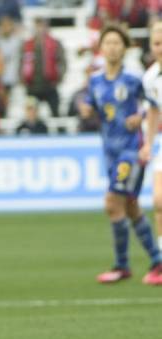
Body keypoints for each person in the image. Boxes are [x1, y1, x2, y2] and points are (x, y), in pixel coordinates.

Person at [79, 25, 162, 284]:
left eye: (117, 43)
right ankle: (157, 260)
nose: (113, 47)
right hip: (111, 152)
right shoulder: (95, 81)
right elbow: (90, 108)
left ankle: (122, 264)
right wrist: (84, 109)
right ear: (101, 48)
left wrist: (140, 117)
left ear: (125, 48)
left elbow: (152, 106)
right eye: (108, 43)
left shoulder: (134, 79)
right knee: (131, 206)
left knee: (112, 203)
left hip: (132, 150)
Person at [143, 21, 162, 285]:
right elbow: (153, 110)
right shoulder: (150, 77)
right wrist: (147, 142)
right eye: (157, 42)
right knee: (159, 200)